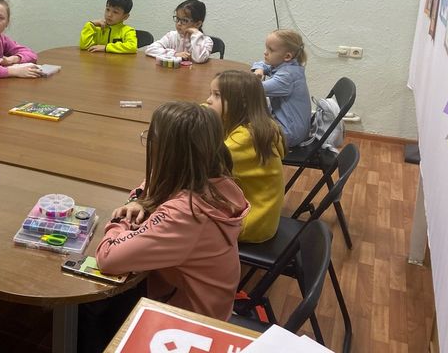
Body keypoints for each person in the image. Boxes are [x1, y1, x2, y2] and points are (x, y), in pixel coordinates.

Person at [79, 102, 249, 352]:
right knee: (111, 293)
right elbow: (151, 182)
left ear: (168, 153)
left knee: (89, 305)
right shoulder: (215, 180)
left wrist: (119, 222)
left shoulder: (186, 213)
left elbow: (108, 258)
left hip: (189, 325)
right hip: (201, 302)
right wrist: (137, 201)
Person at [207, 70, 286, 243]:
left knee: (185, 214)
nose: (209, 100)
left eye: (217, 95)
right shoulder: (260, 123)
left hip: (252, 221)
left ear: (240, 102)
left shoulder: (245, 139)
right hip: (262, 213)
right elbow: (204, 108)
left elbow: (205, 165)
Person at [251, 29, 311, 147]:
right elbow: (262, 63)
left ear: (287, 56)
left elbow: (253, 88)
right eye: (266, 48)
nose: (265, 52)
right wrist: (259, 69)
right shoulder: (287, 65)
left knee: (243, 130)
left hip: (289, 133)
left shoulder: (287, 76)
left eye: (270, 50)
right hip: (290, 125)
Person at [144, 0, 213, 63]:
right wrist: (175, 54)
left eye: (184, 20)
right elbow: (150, 49)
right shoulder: (171, 36)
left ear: (198, 24)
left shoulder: (206, 41)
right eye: (177, 19)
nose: (179, 23)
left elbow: (199, 59)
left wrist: (196, 34)